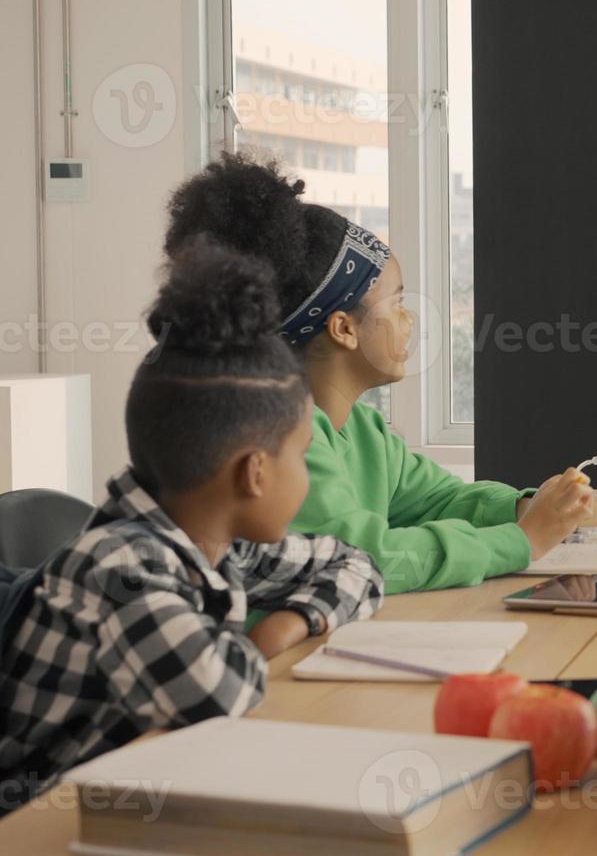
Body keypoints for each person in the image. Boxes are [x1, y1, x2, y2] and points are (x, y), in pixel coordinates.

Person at [0, 243, 383, 810]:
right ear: (254, 473)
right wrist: (266, 637)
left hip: (116, 808)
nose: (306, 476)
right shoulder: (118, 572)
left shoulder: (217, 544)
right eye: (300, 456)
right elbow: (222, 695)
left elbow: (358, 565)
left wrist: (289, 622)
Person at [164, 153, 592, 593]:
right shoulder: (283, 440)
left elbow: (439, 500)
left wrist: (523, 507)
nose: (410, 321)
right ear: (344, 328)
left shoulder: (365, 429)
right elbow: (365, 558)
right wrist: (521, 540)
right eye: (398, 304)